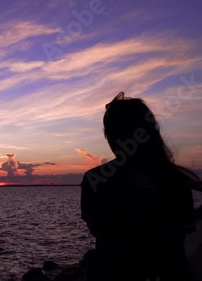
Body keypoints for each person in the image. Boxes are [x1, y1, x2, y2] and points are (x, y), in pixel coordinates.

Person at [80, 92, 202, 281]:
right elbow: (183, 229)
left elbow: (97, 229)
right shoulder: (176, 180)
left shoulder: (95, 179)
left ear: (111, 136)